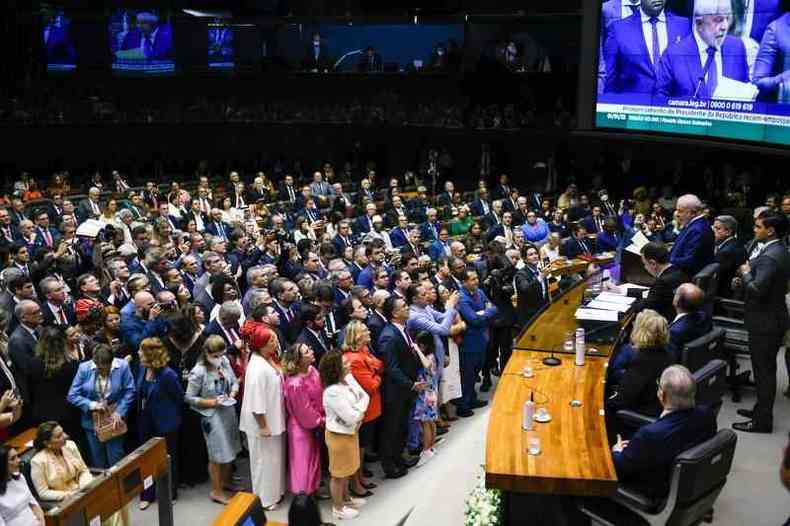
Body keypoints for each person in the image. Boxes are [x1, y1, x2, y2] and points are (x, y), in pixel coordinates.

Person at [611, 365, 716, 499]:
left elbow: (618, 468)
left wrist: (617, 451)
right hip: (686, 483)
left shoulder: (649, 434)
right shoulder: (706, 414)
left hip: (651, 490)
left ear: (662, 395)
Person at [732, 211, 790, 433]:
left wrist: (746, 274)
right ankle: (760, 411)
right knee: (766, 370)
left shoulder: (769, 256)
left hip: (765, 322)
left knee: (764, 373)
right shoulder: (780, 249)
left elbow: (757, 290)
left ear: (770, 230)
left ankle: (762, 421)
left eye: (758, 227)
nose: (754, 230)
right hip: (773, 318)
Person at [185, 335, 242, 505]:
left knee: (230, 448)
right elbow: (188, 397)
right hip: (211, 415)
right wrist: (210, 402)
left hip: (227, 410)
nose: (219, 359)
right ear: (207, 353)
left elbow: (234, 382)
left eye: (221, 354)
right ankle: (216, 491)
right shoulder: (198, 371)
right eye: (215, 356)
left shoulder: (224, 361)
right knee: (216, 454)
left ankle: (227, 481)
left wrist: (232, 392)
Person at [656, 0, 750, 100]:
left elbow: (746, 91)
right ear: (699, 23)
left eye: (727, 18)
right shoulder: (673, 55)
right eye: (718, 20)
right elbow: (659, 102)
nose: (725, 26)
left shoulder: (737, 47)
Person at [239, 321, 286, 511]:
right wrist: (263, 425)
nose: (276, 343)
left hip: (275, 416)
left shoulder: (269, 358)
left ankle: (277, 491)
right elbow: (255, 402)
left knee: (275, 459)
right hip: (263, 422)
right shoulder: (257, 368)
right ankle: (265, 499)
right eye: (272, 340)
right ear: (261, 344)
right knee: (263, 462)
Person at [67, 345, 135, 468]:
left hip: (114, 421)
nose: (103, 372)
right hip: (92, 422)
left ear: (111, 362)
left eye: (107, 369)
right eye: (100, 368)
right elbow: (72, 395)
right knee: (98, 460)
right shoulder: (84, 368)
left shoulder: (122, 366)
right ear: (94, 362)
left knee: (116, 459)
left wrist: (120, 411)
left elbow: (130, 391)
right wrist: (91, 404)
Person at [320, 350, 369, 521]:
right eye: (344, 363)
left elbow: (366, 396)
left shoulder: (348, 379)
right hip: (338, 436)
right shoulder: (332, 391)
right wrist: (360, 412)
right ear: (335, 368)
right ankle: (338, 508)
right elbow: (351, 417)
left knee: (348, 469)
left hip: (350, 432)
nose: (348, 363)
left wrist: (358, 411)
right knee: (338, 474)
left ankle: (347, 499)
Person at [602, 0, 691, 95]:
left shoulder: (683, 26)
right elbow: (609, 81)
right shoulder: (618, 29)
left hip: (672, 105)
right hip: (632, 106)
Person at [377, 297, 423, 478]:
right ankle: (389, 465)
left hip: (405, 390)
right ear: (395, 313)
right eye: (403, 306)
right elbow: (392, 368)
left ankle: (399, 457)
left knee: (402, 426)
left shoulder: (403, 329)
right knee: (391, 429)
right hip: (395, 391)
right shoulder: (388, 336)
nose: (407, 308)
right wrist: (411, 384)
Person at [136, 337, 184, 510]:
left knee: (168, 458)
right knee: (146, 458)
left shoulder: (168, 375)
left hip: (166, 423)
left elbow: (179, 397)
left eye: (141, 350)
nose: (138, 353)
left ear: (150, 354)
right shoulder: (142, 369)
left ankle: (169, 492)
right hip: (145, 421)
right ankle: (147, 494)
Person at [606, 309, 674, 421]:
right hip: (657, 404)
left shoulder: (641, 362)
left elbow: (622, 400)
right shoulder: (668, 353)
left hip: (642, 412)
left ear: (639, 331)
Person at [341, 321, 382, 493]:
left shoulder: (363, 351)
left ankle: (360, 480)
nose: (369, 331)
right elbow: (371, 385)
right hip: (364, 411)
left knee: (363, 448)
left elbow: (379, 364)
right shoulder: (354, 359)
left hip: (370, 409)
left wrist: (375, 371)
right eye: (365, 330)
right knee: (359, 449)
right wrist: (377, 375)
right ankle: (356, 485)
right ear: (357, 336)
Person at [30, 326, 84, 452]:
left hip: (42, 416)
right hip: (69, 414)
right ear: (62, 343)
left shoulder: (33, 364)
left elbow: (30, 390)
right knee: (71, 450)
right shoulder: (71, 365)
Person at [281, 342, 325, 498]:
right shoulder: (295, 383)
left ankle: (313, 490)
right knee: (302, 464)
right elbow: (303, 410)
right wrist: (321, 420)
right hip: (301, 428)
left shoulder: (312, 370)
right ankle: (303, 498)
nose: (312, 351)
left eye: (310, 348)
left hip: (316, 421)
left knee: (314, 460)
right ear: (298, 360)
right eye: (307, 351)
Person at [456, 269, 498, 417]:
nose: (477, 281)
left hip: (482, 339)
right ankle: (463, 405)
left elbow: (493, 308)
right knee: (467, 375)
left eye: (476, 278)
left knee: (475, 372)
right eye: (473, 279)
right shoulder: (462, 298)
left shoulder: (479, 292)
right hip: (469, 343)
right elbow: (473, 319)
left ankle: (472, 398)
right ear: (464, 282)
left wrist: (483, 314)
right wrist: (485, 314)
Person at [29, 421, 92, 501]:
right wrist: (70, 495)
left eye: (63, 432)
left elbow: (83, 470)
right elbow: (43, 492)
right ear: (47, 443)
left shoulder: (70, 445)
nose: (65, 436)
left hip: (82, 490)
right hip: (64, 500)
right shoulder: (37, 461)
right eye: (59, 436)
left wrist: (84, 486)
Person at [632, 241, 690, 322]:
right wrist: (622, 291)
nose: (645, 267)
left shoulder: (662, 282)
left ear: (653, 263)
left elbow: (646, 307)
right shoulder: (678, 271)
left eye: (644, 264)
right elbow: (654, 294)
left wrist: (629, 303)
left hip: (665, 325)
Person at [668, 194, 715, 278]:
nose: (677, 214)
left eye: (680, 211)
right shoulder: (694, 225)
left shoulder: (697, 229)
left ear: (693, 213)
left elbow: (690, 260)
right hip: (679, 271)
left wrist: (666, 261)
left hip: (684, 276)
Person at [0, 445, 44, 526]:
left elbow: (34, 505)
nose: (19, 460)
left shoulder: (20, 477)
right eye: (13, 459)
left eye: (17, 456)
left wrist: (41, 522)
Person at [668, 283, 712, 361]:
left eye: (676, 293)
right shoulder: (704, 316)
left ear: (676, 301)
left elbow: (671, 359)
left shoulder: (675, 332)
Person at [712, 215, 746, 297]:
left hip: (723, 295)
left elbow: (716, 278)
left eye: (718, 228)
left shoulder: (726, 252)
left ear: (728, 232)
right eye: (713, 227)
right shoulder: (736, 244)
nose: (713, 231)